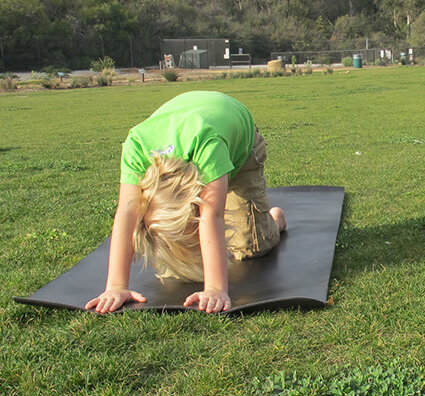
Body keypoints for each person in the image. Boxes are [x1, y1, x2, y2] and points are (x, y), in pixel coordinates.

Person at [86, 91, 286, 313]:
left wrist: (215, 288)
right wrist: (116, 286)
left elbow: (212, 216)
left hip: (242, 148)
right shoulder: (136, 146)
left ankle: (273, 220)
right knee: (182, 263)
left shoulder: (207, 143)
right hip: (197, 123)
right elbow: (126, 211)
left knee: (250, 248)